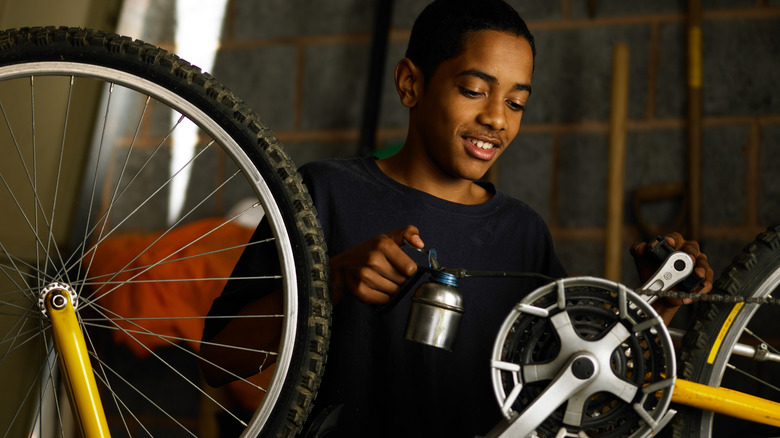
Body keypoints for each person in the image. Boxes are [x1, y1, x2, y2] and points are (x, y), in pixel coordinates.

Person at [201, 0, 713, 436]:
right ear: (410, 84)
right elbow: (217, 363)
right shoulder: (323, 193)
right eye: (474, 90)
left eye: (516, 102)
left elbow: (571, 380)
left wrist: (655, 306)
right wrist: (328, 281)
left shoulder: (523, 233)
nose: (496, 117)